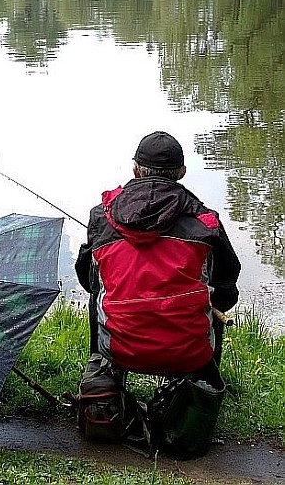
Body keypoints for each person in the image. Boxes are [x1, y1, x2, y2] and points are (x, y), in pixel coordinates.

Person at [74, 131, 241, 451]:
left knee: (99, 296)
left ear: (136, 170)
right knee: (213, 305)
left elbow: (87, 280)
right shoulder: (206, 221)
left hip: (119, 347)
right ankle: (195, 391)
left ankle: (104, 379)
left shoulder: (102, 215)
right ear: (181, 173)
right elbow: (227, 288)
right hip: (189, 351)